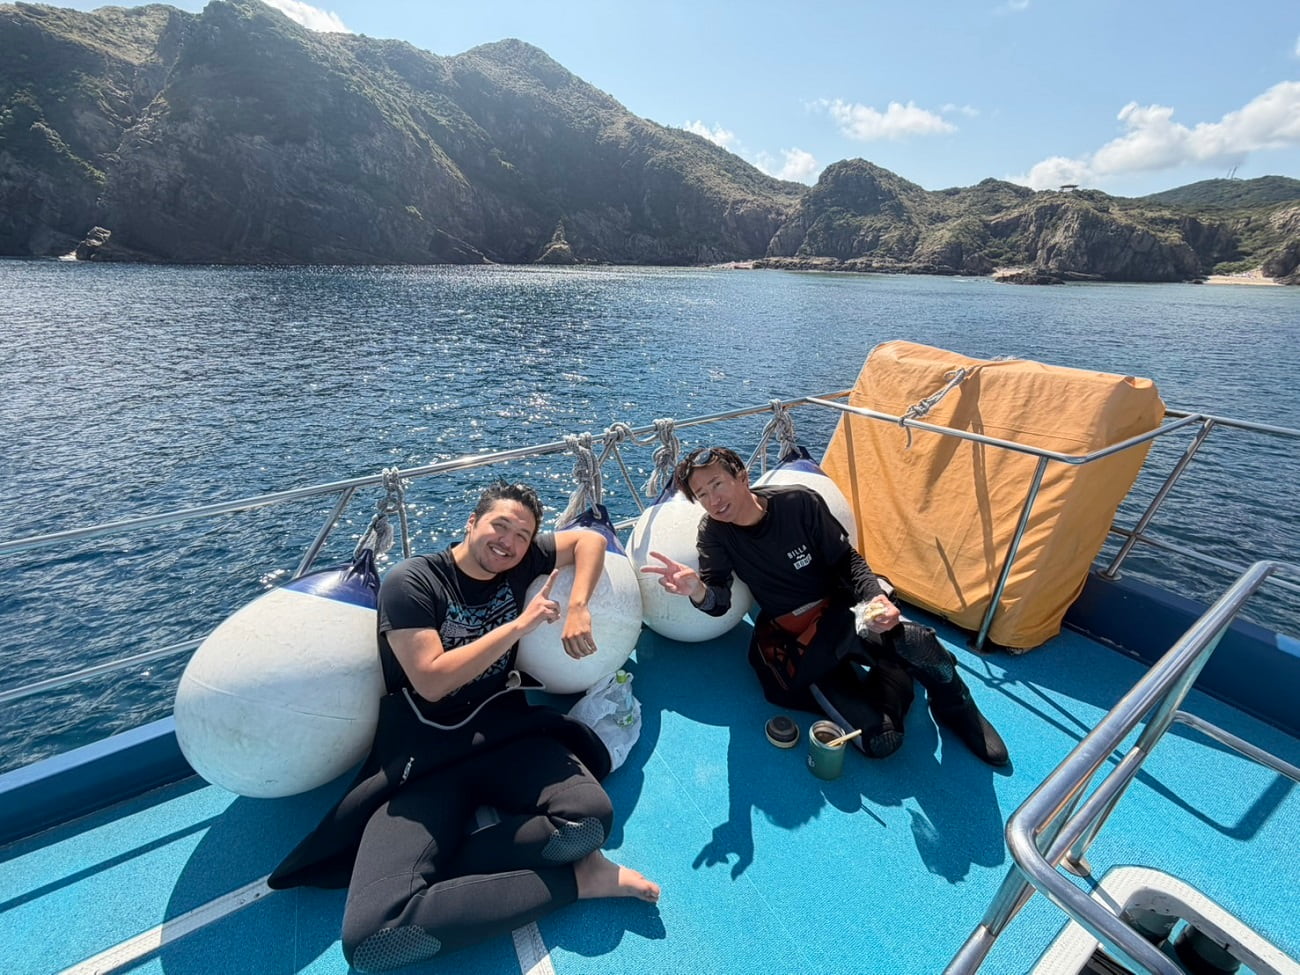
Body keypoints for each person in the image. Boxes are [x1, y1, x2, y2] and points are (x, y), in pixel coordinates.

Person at [268, 481, 659, 972]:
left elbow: (589, 541)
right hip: (425, 753)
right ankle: (578, 882)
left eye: (523, 535)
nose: (509, 542)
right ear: (472, 522)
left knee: (590, 822)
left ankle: (448, 870)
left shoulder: (522, 559)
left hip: (500, 730)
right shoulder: (412, 582)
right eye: (500, 525)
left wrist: (578, 605)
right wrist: (518, 626)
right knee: (376, 937)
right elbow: (431, 679)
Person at [641, 447, 1008, 767]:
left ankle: (956, 706)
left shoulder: (798, 503)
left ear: (741, 475)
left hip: (842, 612)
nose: (712, 500)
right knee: (881, 742)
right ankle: (894, 674)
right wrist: (696, 591)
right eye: (702, 495)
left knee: (918, 642)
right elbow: (719, 601)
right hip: (798, 639)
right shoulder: (714, 532)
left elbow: (846, 560)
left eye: (716, 484)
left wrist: (874, 599)